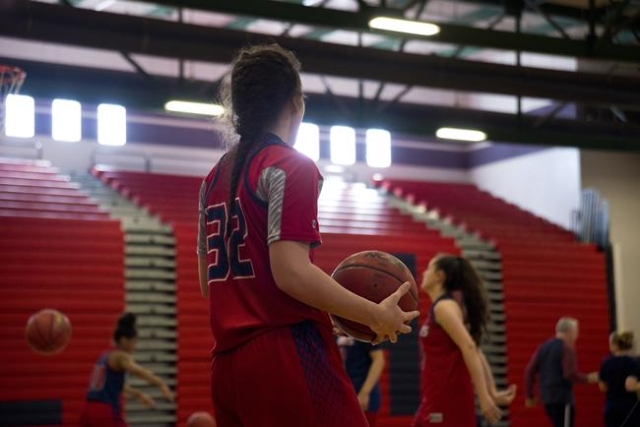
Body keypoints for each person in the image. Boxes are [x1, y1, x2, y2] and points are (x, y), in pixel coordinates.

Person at [196, 44, 419, 427]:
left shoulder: (212, 178)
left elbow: (208, 285)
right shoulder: (289, 165)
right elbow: (292, 273)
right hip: (285, 356)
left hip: (228, 366)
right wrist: (373, 314)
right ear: (296, 103)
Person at [412, 254, 504, 427]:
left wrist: (484, 396)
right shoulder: (445, 306)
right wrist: (491, 390)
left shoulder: (444, 307)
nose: (424, 273)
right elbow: (475, 348)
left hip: (447, 397)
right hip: (435, 395)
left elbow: (469, 347)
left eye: (429, 268)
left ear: (440, 276)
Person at [79, 313, 174, 427]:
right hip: (104, 410)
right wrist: (160, 383)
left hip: (87, 409)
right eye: (133, 341)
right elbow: (138, 371)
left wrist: (138, 394)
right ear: (124, 340)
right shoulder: (121, 355)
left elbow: (117, 387)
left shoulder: (106, 355)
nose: (135, 346)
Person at [524, 317, 599, 427]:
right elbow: (569, 374)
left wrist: (529, 395)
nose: (576, 336)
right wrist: (588, 378)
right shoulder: (567, 348)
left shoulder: (544, 347)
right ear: (570, 332)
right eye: (576, 332)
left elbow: (529, 370)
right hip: (562, 398)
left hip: (547, 398)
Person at [337, 334, 385, 427]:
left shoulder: (362, 328)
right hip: (346, 394)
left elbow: (379, 360)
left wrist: (364, 394)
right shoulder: (337, 327)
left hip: (363, 394)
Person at [598, 331, 640, 427]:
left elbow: (603, 387)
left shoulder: (606, 362)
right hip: (628, 408)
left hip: (610, 408)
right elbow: (630, 386)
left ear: (613, 345)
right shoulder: (633, 362)